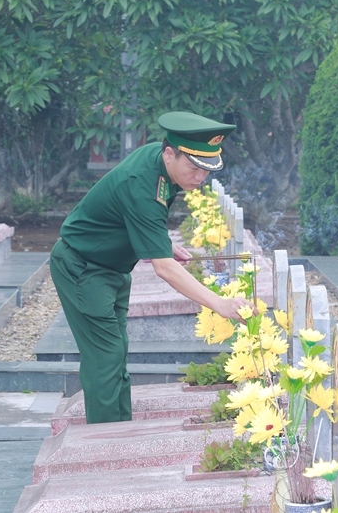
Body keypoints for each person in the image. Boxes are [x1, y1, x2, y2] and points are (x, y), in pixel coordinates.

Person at [49, 111, 255, 424]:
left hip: (111, 268)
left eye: (206, 170)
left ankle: (118, 429)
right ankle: (104, 442)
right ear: (170, 154)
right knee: (104, 359)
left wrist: (158, 241)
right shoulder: (144, 182)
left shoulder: (158, 163)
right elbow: (164, 268)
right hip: (84, 270)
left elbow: (129, 215)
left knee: (116, 354)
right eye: (194, 166)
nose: (200, 177)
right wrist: (219, 304)